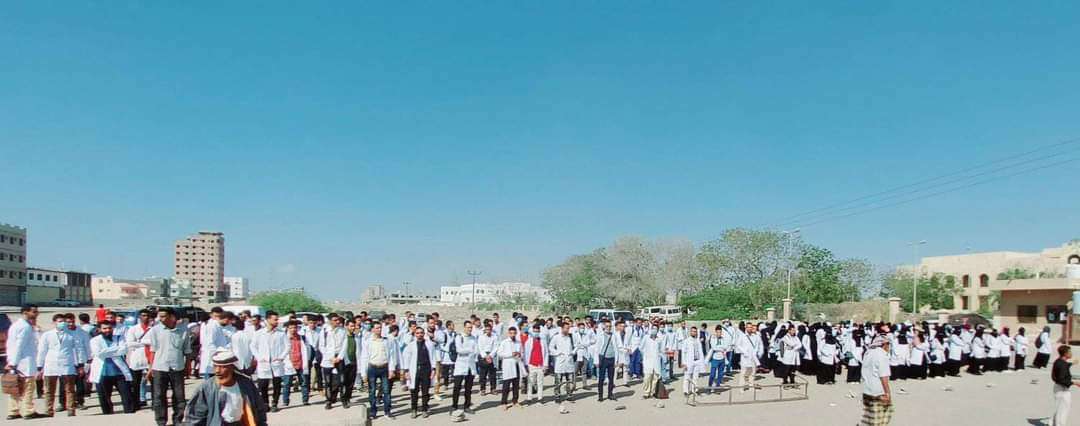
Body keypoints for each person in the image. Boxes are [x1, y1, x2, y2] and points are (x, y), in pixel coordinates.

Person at [185, 349, 268, 426]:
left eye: (222, 367)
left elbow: (259, 410)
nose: (217, 371)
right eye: (215, 366)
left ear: (232, 367)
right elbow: (195, 416)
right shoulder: (207, 387)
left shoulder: (246, 384)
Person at [142, 307, 193, 426]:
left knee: (179, 396)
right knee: (159, 396)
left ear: (172, 317)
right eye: (159, 316)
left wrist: (188, 366)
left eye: (163, 316)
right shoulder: (155, 330)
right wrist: (150, 368)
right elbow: (153, 350)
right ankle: (161, 421)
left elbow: (187, 350)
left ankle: (177, 420)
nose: (160, 319)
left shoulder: (183, 331)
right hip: (160, 367)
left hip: (177, 367)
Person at [36, 313, 85, 417]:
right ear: (54, 323)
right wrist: (39, 366)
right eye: (59, 321)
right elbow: (42, 351)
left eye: (64, 322)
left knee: (70, 389)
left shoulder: (72, 334)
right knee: (49, 390)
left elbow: (79, 349)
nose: (62, 323)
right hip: (51, 364)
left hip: (67, 364)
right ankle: (48, 411)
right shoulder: (47, 335)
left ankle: (71, 410)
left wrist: (80, 364)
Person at [89, 321, 135, 414]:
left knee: (127, 396)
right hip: (102, 373)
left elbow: (124, 350)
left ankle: (129, 414)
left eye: (109, 328)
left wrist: (106, 351)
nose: (107, 330)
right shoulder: (94, 340)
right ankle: (108, 416)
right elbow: (98, 353)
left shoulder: (119, 337)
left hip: (119, 372)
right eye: (104, 328)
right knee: (104, 398)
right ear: (99, 329)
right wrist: (116, 349)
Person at [5, 304, 42, 420]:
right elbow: (19, 346)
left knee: (15, 388)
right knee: (28, 388)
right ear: (25, 312)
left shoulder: (16, 325)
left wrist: (11, 361)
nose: (36, 314)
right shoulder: (25, 327)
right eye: (34, 312)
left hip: (16, 361)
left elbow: (10, 345)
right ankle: (28, 411)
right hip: (24, 362)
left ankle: (14, 410)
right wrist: (13, 363)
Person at [359, 321, 398, 419]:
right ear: (372, 329)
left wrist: (391, 370)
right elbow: (364, 357)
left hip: (384, 367)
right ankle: (373, 412)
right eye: (377, 328)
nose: (379, 330)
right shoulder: (368, 341)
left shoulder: (386, 341)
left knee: (386, 391)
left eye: (380, 328)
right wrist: (363, 373)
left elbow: (391, 356)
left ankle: (387, 411)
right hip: (372, 368)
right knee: (372, 391)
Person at [251, 310, 287, 412]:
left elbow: (287, 346)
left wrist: (281, 357)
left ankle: (275, 403)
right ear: (268, 320)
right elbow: (253, 346)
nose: (277, 321)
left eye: (277, 319)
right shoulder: (259, 333)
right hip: (264, 363)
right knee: (263, 385)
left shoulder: (281, 333)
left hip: (276, 363)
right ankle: (265, 403)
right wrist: (259, 357)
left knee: (277, 384)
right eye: (275, 319)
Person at [401, 327, 436, 418]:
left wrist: (433, 369)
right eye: (417, 333)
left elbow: (433, 357)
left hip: (426, 369)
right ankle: (414, 409)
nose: (419, 334)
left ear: (424, 334)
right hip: (414, 370)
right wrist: (406, 371)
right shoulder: (411, 345)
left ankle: (424, 409)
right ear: (415, 334)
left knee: (425, 391)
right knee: (414, 391)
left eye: (421, 333)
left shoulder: (429, 344)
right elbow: (407, 359)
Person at [124, 309, 154, 411]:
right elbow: (129, 343)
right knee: (135, 383)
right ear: (139, 317)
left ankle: (155, 403)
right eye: (143, 315)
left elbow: (156, 342)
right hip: (137, 357)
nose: (145, 317)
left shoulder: (154, 329)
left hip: (150, 357)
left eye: (147, 315)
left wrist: (143, 343)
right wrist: (145, 343)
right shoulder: (133, 329)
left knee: (154, 382)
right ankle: (136, 403)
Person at [861, 335, 893, 426]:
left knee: (869, 418)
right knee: (879, 420)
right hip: (878, 392)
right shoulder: (882, 355)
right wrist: (887, 394)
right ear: (884, 344)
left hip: (867, 390)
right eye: (888, 344)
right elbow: (884, 377)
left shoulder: (868, 353)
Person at [317, 314, 346, 410]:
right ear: (330, 321)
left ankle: (343, 399)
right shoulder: (324, 331)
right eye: (335, 320)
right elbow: (321, 346)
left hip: (339, 358)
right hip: (327, 359)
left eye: (338, 320)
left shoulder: (342, 331)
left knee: (342, 381)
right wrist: (330, 357)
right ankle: (329, 400)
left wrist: (339, 357)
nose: (337, 321)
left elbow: (344, 345)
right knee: (328, 382)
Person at [282, 320, 312, 406]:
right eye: (291, 328)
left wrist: (308, 360)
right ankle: (285, 401)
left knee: (304, 382)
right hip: (289, 363)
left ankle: (305, 400)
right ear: (287, 329)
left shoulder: (302, 338)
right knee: (287, 383)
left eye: (295, 327)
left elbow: (308, 350)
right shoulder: (284, 338)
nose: (293, 329)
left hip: (301, 363)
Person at [451, 321, 478, 413]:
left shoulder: (473, 338)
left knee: (468, 388)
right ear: (464, 327)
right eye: (468, 327)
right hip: (460, 365)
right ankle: (454, 406)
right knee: (457, 387)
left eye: (471, 327)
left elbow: (476, 350)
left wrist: (470, 351)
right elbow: (459, 350)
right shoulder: (459, 337)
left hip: (470, 365)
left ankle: (467, 406)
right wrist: (470, 350)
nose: (470, 329)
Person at [1051, 345, 1080, 426]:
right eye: (1069, 352)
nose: (1071, 353)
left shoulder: (1059, 361)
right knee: (1063, 409)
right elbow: (1061, 380)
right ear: (1065, 354)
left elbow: (1064, 366)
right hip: (1062, 389)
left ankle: (1053, 423)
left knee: (1060, 408)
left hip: (1058, 388)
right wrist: (1075, 383)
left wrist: (1072, 363)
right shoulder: (1062, 364)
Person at [550, 321, 578, 403]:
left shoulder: (571, 337)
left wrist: (573, 352)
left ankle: (569, 395)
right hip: (560, 361)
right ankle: (557, 396)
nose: (567, 330)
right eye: (566, 328)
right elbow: (551, 347)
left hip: (569, 361)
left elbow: (577, 345)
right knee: (558, 380)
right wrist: (557, 353)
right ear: (562, 328)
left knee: (570, 380)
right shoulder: (556, 337)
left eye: (568, 328)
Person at [523, 323, 548, 404]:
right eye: (534, 331)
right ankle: (529, 398)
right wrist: (526, 365)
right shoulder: (528, 342)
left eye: (537, 331)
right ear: (532, 332)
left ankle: (540, 398)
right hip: (531, 364)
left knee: (540, 382)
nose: (536, 333)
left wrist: (545, 364)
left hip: (540, 365)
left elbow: (546, 353)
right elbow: (525, 353)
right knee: (531, 382)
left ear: (539, 332)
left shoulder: (543, 341)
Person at [594, 320, 618, 402]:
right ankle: (600, 396)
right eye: (607, 326)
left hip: (612, 358)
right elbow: (597, 348)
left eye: (610, 326)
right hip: (603, 359)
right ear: (604, 327)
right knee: (601, 378)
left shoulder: (613, 335)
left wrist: (616, 360)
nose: (608, 328)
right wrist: (596, 361)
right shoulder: (600, 335)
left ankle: (610, 394)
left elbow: (616, 348)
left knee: (611, 378)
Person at [680, 326, 705, 405]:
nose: (694, 333)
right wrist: (684, 363)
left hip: (697, 361)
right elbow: (683, 352)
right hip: (689, 361)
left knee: (695, 377)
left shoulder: (698, 341)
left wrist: (702, 362)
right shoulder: (686, 341)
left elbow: (701, 352)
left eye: (695, 331)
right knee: (687, 376)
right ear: (690, 332)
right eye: (693, 331)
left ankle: (695, 390)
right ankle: (686, 391)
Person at [735, 323, 760, 392]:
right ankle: (741, 387)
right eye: (748, 327)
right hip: (745, 357)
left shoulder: (755, 336)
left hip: (753, 357)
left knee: (752, 373)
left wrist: (755, 352)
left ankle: (751, 386)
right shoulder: (742, 336)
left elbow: (757, 345)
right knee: (743, 373)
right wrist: (744, 351)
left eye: (751, 327)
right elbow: (738, 345)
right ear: (746, 328)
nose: (749, 328)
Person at [476, 323, 498, 395]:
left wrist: (490, 355)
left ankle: (493, 388)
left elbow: (496, 347)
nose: (488, 331)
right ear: (485, 330)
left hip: (491, 356)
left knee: (492, 374)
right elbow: (480, 347)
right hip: (483, 356)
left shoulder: (494, 337)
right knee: (483, 374)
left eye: (489, 329)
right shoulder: (481, 337)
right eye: (487, 329)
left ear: (491, 330)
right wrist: (485, 356)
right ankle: (482, 389)